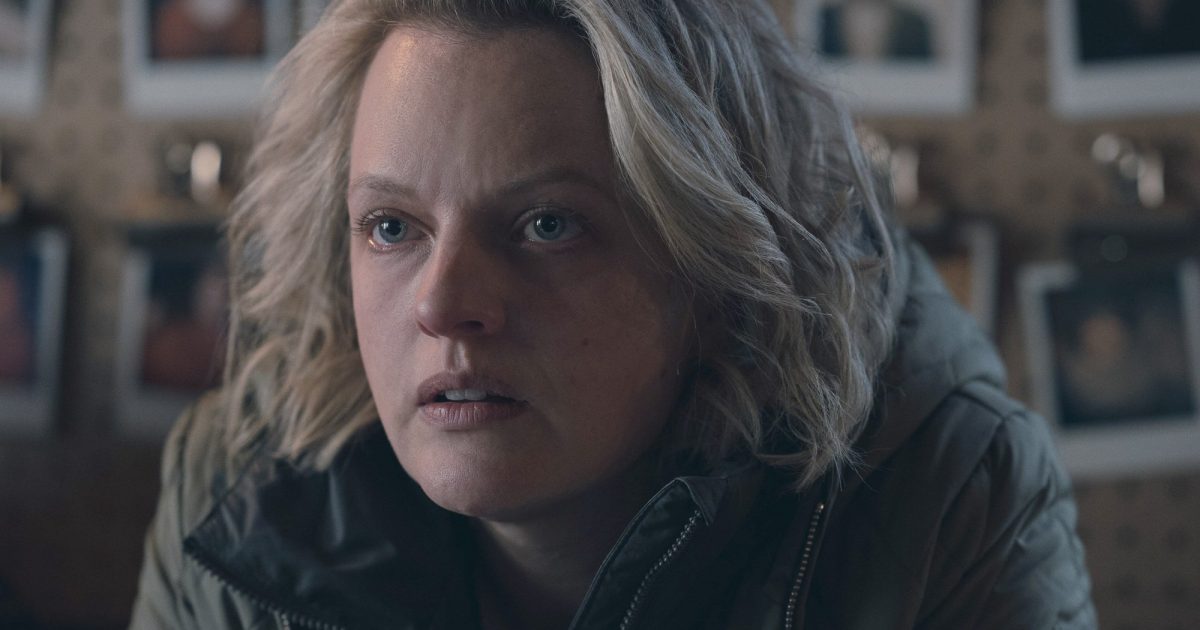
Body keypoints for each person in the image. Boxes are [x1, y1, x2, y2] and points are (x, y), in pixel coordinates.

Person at [129, 1, 1096, 628]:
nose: (444, 306)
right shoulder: (234, 485)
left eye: (547, 225)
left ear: (718, 267)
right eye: (391, 227)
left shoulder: (952, 498)